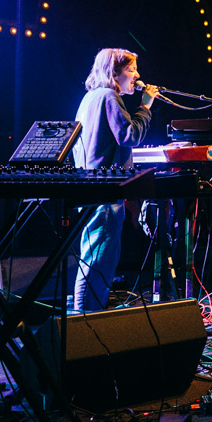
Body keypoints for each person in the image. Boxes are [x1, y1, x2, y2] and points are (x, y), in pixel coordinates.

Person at [70, 48, 159, 312]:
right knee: (99, 260)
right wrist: (145, 107)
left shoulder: (89, 98)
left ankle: (86, 315)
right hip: (106, 191)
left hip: (90, 187)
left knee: (94, 258)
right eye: (131, 70)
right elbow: (129, 136)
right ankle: (85, 320)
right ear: (115, 72)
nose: (137, 75)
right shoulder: (110, 96)